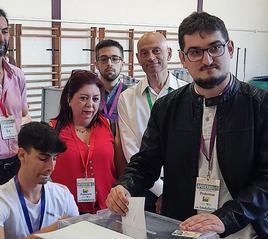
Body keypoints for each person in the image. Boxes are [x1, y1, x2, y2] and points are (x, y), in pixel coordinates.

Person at [106, 12, 268, 238]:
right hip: (183, 227)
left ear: (229, 48)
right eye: (195, 52)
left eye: (215, 48)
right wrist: (125, 186)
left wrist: (226, 218)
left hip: (242, 230)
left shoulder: (260, 106)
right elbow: (146, 162)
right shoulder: (166, 108)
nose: (207, 59)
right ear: (183, 59)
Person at [117, 32, 187, 213]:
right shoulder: (127, 98)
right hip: (144, 186)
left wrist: (171, 191)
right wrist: (160, 191)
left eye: (157, 51)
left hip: (182, 186)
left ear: (169, 54)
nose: (151, 57)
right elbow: (131, 150)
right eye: (144, 53)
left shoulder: (188, 93)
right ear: (138, 58)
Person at [50, 70, 126, 214]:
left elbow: (122, 170)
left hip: (107, 211)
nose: (90, 104)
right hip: (67, 214)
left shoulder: (110, 126)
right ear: (69, 99)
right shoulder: (52, 130)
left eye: (96, 99)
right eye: (83, 98)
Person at [0, 122, 79, 239]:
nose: (51, 167)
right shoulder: (3, 199)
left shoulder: (63, 195)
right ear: (22, 155)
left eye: (54, 158)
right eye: (43, 159)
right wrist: (57, 227)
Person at [0, 8, 28, 185]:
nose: (1, 39)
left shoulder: (17, 75)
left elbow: (23, 113)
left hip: (16, 162)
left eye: (4, 31)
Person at [95, 39, 127, 121]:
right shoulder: (88, 93)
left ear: (122, 64)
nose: (109, 63)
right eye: (103, 59)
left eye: (115, 59)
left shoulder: (131, 94)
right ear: (96, 65)